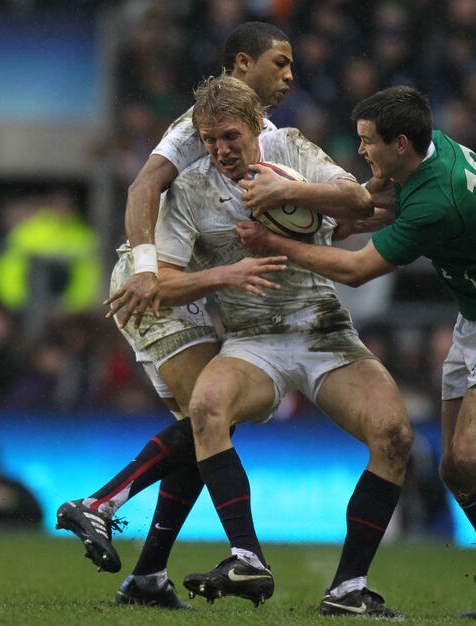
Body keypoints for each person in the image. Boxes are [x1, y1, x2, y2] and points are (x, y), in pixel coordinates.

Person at [237, 86, 476, 621]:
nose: (362, 152)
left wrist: (278, 243)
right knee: (457, 468)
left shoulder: (440, 198)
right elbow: (378, 200)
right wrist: (339, 212)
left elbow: (357, 271)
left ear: (402, 143)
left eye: (369, 142)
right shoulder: (431, 156)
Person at [55, 22, 372, 611]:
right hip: (155, 285)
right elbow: (144, 184)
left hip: (188, 283)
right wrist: (149, 268)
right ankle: (102, 504)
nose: (289, 76)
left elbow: (348, 206)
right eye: (279, 63)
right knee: (211, 418)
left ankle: (148, 574)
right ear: (243, 64)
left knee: (209, 432)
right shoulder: (197, 131)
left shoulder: (271, 140)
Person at [152, 74, 413, 618]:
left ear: (255, 128)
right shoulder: (190, 190)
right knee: (205, 407)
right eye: (209, 139)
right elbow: (165, 283)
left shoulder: (290, 148)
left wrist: (285, 190)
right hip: (252, 339)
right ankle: (246, 557)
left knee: (393, 433)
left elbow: (356, 199)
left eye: (230, 136)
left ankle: (347, 589)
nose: (221, 150)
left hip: (324, 329)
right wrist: (228, 274)